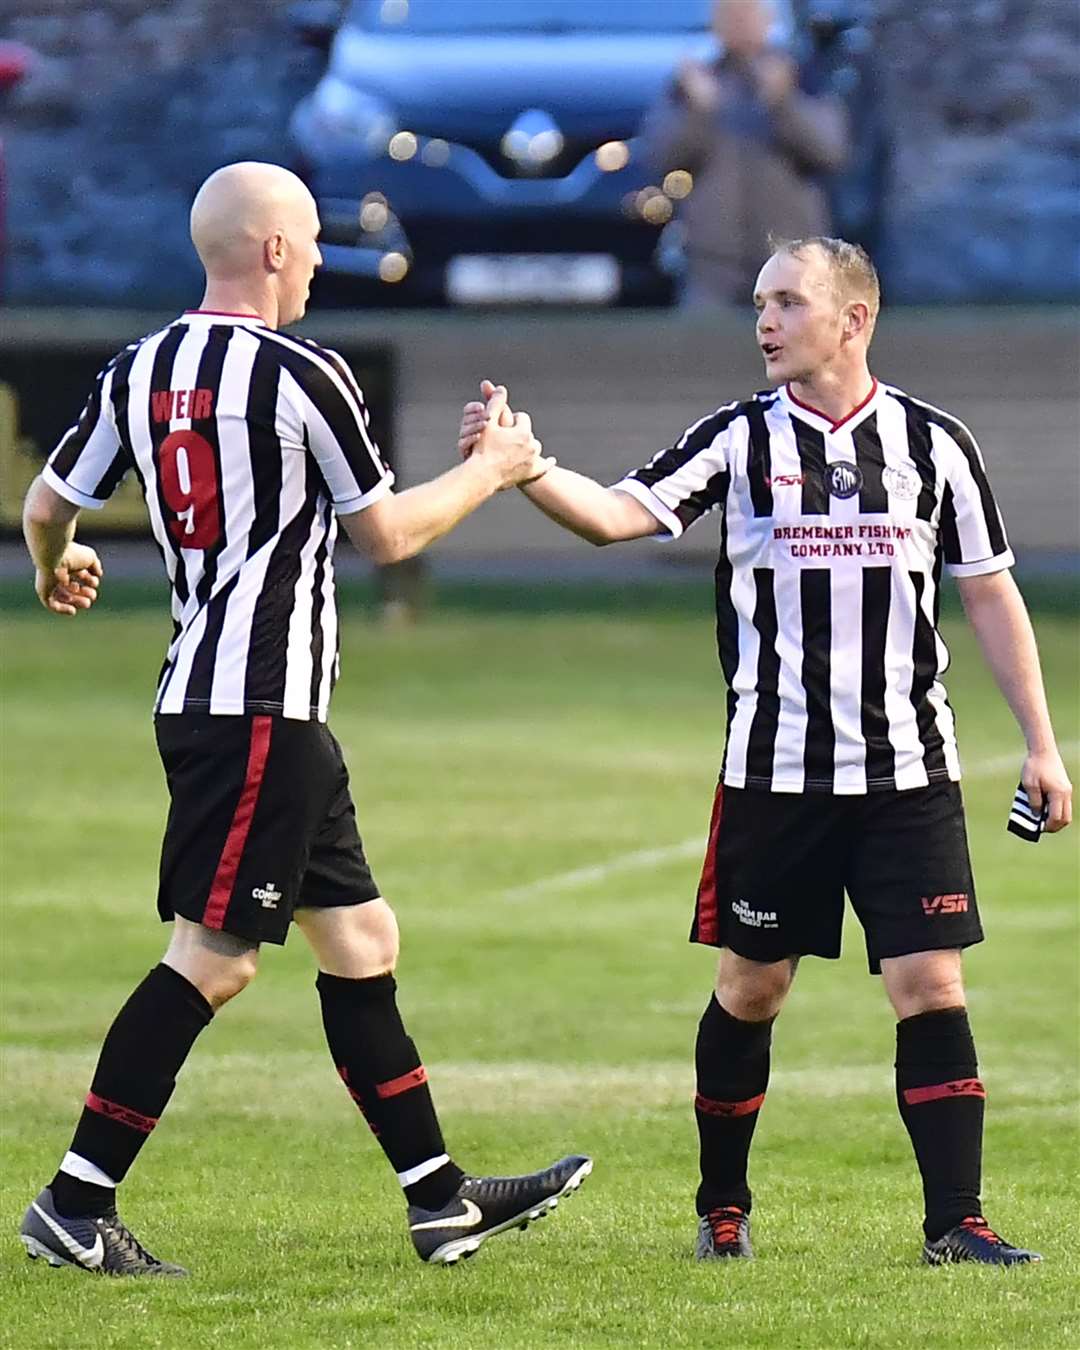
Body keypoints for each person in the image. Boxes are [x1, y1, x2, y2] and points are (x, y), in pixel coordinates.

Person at [18, 161, 590, 1277]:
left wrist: (59, 565)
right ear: (275, 249)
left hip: (234, 705)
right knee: (215, 958)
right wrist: (494, 467)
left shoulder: (140, 368)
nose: (324, 257)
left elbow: (48, 503)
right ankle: (75, 1203)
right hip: (258, 712)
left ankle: (439, 1199)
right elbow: (385, 539)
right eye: (316, 239)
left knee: (363, 940)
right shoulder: (303, 372)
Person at [458, 235, 1073, 1266]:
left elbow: (989, 590)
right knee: (754, 990)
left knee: (931, 985)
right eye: (758, 303)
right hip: (774, 777)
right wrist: (524, 470)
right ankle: (723, 1208)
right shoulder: (738, 439)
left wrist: (1043, 748)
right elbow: (617, 517)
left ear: (854, 318)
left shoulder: (936, 445)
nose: (766, 321)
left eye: (788, 301)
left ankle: (955, 1223)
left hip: (907, 775)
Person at [640, 0, 848, 306]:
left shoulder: (803, 77)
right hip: (712, 266)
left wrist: (784, 104)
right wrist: (700, 113)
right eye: (728, 15)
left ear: (768, 19)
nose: (738, 23)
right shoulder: (693, 84)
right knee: (702, 348)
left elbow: (830, 151)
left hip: (792, 264)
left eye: (746, 14)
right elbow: (660, 156)